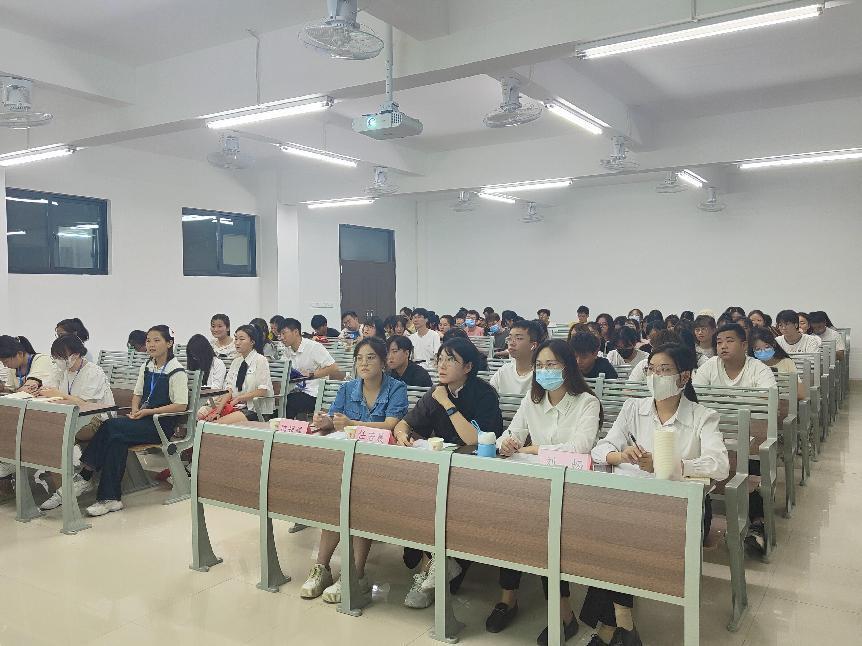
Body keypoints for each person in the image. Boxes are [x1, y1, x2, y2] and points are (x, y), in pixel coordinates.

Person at [588, 343, 728, 646]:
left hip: (681, 511)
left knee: (615, 538)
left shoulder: (703, 416)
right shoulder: (633, 409)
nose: (655, 376)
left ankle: (611, 626)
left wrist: (669, 465)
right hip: (632, 501)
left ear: (684, 377)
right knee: (607, 534)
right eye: (651, 370)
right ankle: (622, 621)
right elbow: (601, 449)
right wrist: (621, 455)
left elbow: (719, 465)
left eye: (664, 370)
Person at [488, 339, 601, 644]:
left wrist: (534, 449)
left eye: (552, 364)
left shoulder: (587, 402)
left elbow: (580, 448)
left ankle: (564, 613)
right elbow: (511, 434)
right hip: (534, 485)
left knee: (546, 533)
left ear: (568, 366)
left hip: (572, 489)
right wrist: (507, 443)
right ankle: (508, 597)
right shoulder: (532, 399)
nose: (545, 370)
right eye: (539, 365)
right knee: (510, 524)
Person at [395, 338, 503, 610]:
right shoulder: (437, 392)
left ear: (468, 367)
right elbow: (406, 423)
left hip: (477, 475)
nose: (441, 365)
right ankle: (432, 565)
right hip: (443, 471)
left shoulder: (484, 394)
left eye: (450, 360)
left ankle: (435, 566)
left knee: (441, 505)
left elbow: (475, 440)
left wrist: (447, 403)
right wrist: (402, 434)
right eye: (440, 359)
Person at [301, 337, 408, 603]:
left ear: (383, 362)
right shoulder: (347, 388)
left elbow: (391, 425)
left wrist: (352, 424)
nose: (364, 363)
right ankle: (322, 568)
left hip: (382, 465)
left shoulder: (397, 388)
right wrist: (325, 421)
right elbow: (335, 421)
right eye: (359, 358)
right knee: (337, 502)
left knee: (357, 502)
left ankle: (355, 573)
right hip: (348, 461)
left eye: (371, 358)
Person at [78, 326, 188, 517]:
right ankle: (110, 499)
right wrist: (136, 409)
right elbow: (137, 394)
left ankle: (85, 474)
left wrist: (149, 411)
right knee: (117, 441)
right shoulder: (147, 365)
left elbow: (180, 405)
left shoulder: (176, 371)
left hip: (160, 425)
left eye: (157, 340)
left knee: (110, 426)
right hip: (143, 419)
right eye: (148, 340)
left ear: (169, 343)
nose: (151, 344)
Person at [693, 323, 776, 555]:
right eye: (719, 342)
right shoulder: (710, 366)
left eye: (729, 341)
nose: (723, 346)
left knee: (749, 467)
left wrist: (720, 406)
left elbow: (765, 404)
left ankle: (757, 525)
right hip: (714, 434)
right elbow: (696, 400)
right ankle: (700, 520)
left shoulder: (758, 369)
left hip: (751, 435)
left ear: (744, 344)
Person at [36, 334, 115, 510]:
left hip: (97, 420)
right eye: (55, 357)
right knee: (46, 437)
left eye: (61, 357)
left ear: (76, 354)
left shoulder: (93, 372)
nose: (58, 361)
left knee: (57, 439)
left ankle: (72, 487)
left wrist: (59, 394)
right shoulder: (62, 371)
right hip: (70, 417)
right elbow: (50, 389)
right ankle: (63, 490)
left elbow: (86, 405)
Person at [202, 325, 273, 424]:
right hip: (236, 406)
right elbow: (229, 389)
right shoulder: (236, 362)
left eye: (242, 339)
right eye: (236, 339)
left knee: (216, 425)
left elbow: (262, 390)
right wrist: (218, 411)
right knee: (206, 422)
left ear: (252, 342)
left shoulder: (260, 360)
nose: (237, 342)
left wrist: (240, 398)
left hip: (255, 409)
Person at [279, 318, 341, 419]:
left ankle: (286, 427)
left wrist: (312, 375)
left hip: (314, 392)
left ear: (296, 332)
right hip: (294, 390)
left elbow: (333, 367)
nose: (281, 338)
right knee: (278, 400)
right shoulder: (287, 351)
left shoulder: (313, 347)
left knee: (288, 402)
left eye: (284, 333)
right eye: (280, 334)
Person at [749, 328, 804, 400]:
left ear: (773, 344)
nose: (763, 351)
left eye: (767, 347)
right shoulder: (751, 365)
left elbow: (800, 393)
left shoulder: (787, 363)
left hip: (784, 402)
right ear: (753, 350)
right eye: (758, 349)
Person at [490, 320, 541, 395]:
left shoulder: (541, 374)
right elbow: (488, 394)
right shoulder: (504, 371)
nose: (511, 343)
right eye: (510, 338)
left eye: (519, 338)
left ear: (533, 345)